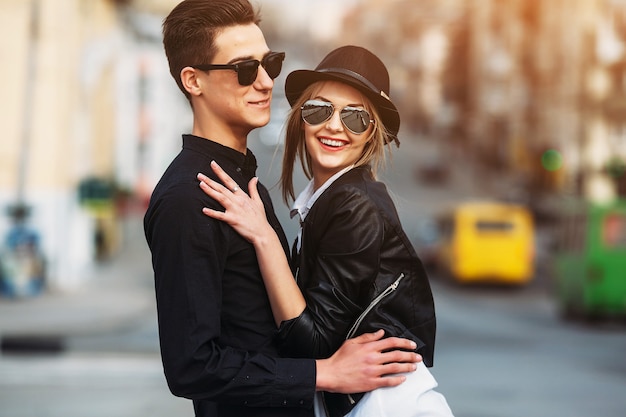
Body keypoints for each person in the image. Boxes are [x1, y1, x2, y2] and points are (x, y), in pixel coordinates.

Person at [143, 2, 422, 417]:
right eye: (243, 69)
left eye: (269, 63)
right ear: (193, 80)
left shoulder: (243, 184)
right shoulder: (189, 198)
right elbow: (191, 367)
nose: (265, 81)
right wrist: (323, 374)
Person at [198, 45, 454, 417]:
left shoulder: (354, 206)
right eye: (319, 110)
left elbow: (314, 346)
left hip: (387, 407)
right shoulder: (328, 202)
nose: (335, 126)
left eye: (356, 118)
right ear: (301, 119)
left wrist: (264, 236)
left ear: (372, 134)